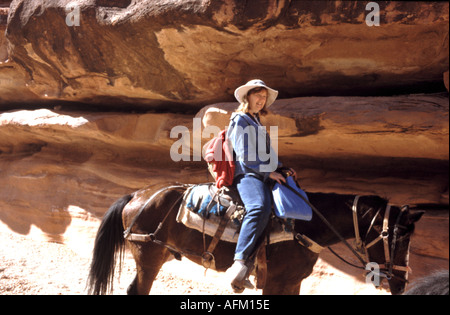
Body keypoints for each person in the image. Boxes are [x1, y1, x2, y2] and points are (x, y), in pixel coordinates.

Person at [225, 79, 297, 290]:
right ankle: (239, 264)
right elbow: (245, 156)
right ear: (247, 97)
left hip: (261, 173)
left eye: (264, 97)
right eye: (257, 95)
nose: (261, 100)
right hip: (247, 175)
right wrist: (269, 172)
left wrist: (281, 168)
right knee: (259, 207)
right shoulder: (240, 119)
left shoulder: (255, 121)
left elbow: (266, 154)